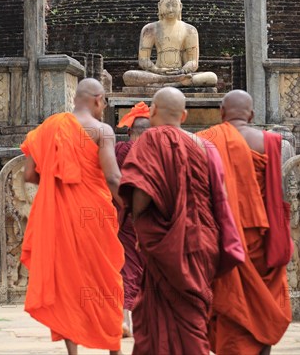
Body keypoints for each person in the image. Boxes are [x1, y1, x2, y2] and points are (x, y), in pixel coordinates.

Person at [20, 78, 125, 355]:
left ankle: (73, 351)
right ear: (99, 99)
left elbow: (29, 175)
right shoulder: (102, 130)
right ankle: (114, 347)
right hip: (95, 216)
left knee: (67, 281)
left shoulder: (48, 129)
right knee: (105, 278)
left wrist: (59, 182)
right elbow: (113, 177)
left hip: (61, 217)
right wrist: (129, 208)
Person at [118, 87, 223, 354]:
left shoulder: (149, 140)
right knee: (193, 317)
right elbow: (216, 194)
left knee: (156, 318)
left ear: (152, 112)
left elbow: (141, 194)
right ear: (184, 115)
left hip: (164, 243)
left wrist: (140, 224)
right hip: (200, 239)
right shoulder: (204, 145)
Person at [197, 90, 293, 355]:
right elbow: (279, 194)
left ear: (221, 112)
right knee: (264, 302)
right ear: (251, 115)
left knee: (231, 299)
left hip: (223, 239)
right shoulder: (274, 143)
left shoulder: (205, 140)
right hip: (263, 239)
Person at [123, 0, 217, 88]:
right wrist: (156, 70)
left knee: (212, 77)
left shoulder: (190, 30)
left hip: (181, 73)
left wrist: (182, 71)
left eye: (174, 5)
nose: (171, 9)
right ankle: (177, 83)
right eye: (167, 5)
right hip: (157, 73)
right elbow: (143, 60)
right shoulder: (150, 29)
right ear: (159, 6)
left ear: (180, 7)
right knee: (129, 76)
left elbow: (193, 62)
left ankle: (169, 82)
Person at [115, 102, 151, 338]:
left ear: (129, 132)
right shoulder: (156, 152)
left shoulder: (119, 149)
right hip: (150, 217)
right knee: (145, 269)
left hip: (123, 214)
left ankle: (127, 317)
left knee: (128, 267)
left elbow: (110, 178)